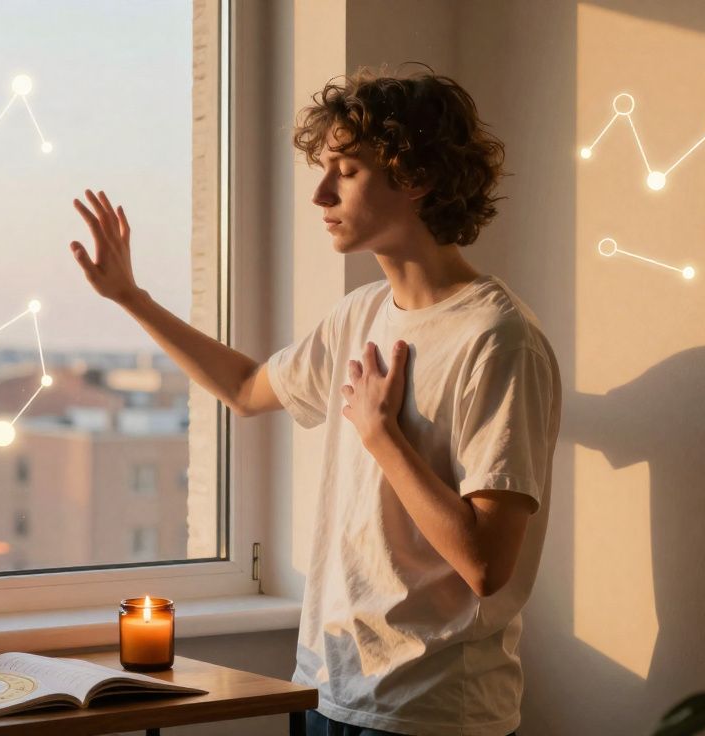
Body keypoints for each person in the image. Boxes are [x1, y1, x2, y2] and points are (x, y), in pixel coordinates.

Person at [69, 66, 559, 736]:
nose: (320, 193)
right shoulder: (358, 315)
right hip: (325, 689)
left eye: (346, 171)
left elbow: (484, 564)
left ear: (414, 176)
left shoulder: (499, 340)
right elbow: (245, 390)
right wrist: (131, 297)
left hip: (432, 713)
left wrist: (381, 435)